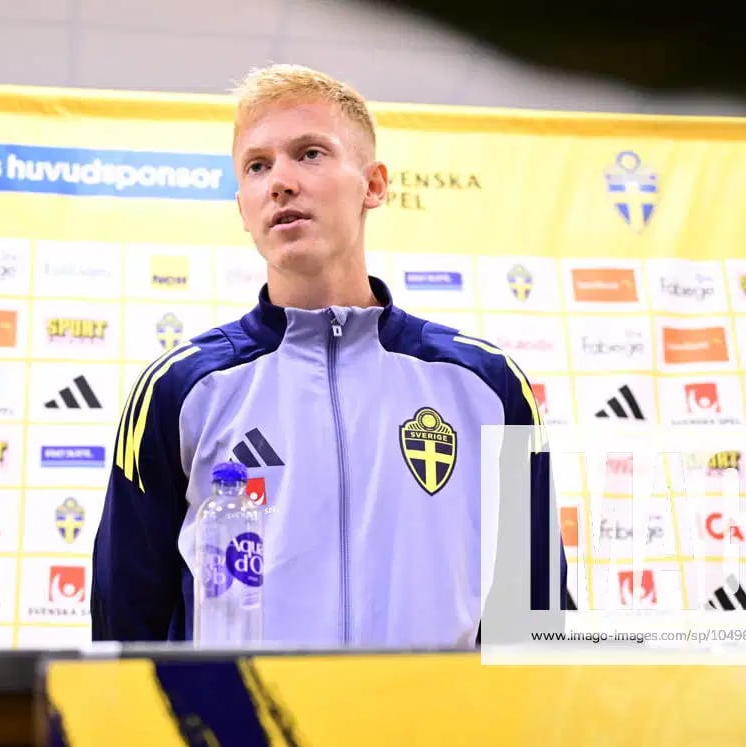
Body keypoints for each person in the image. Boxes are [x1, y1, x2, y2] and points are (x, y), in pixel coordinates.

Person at [90, 63, 567, 647]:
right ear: (243, 207)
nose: (280, 182)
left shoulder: (486, 384)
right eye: (257, 166)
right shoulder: (181, 389)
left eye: (310, 154)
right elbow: (126, 625)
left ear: (373, 184)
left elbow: (535, 613)